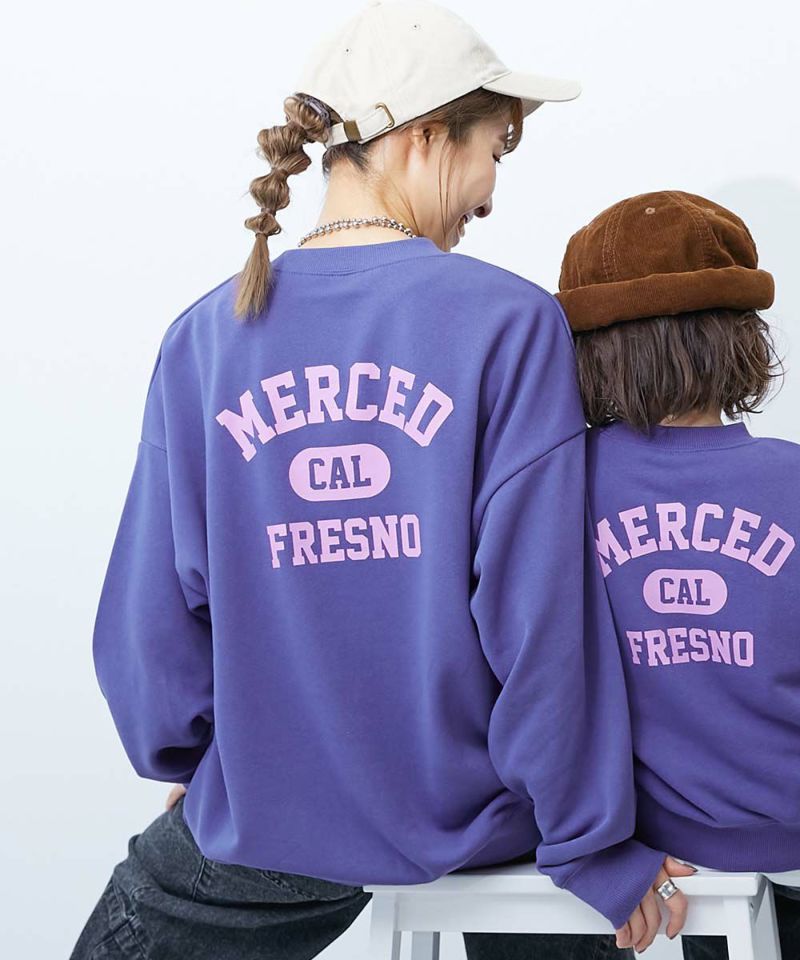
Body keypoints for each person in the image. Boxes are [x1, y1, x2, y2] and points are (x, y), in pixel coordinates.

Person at [69, 5, 690, 959]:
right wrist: (590, 841)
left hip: (270, 816)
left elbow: (147, 630)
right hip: (479, 821)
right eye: (495, 151)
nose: (491, 195)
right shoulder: (510, 324)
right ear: (426, 135)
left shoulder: (204, 339)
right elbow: (540, 620)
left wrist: (198, 763)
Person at [553, 189, 800, 959]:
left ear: (589, 351)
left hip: (661, 850)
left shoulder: (554, 489)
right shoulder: (791, 483)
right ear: (740, 339)